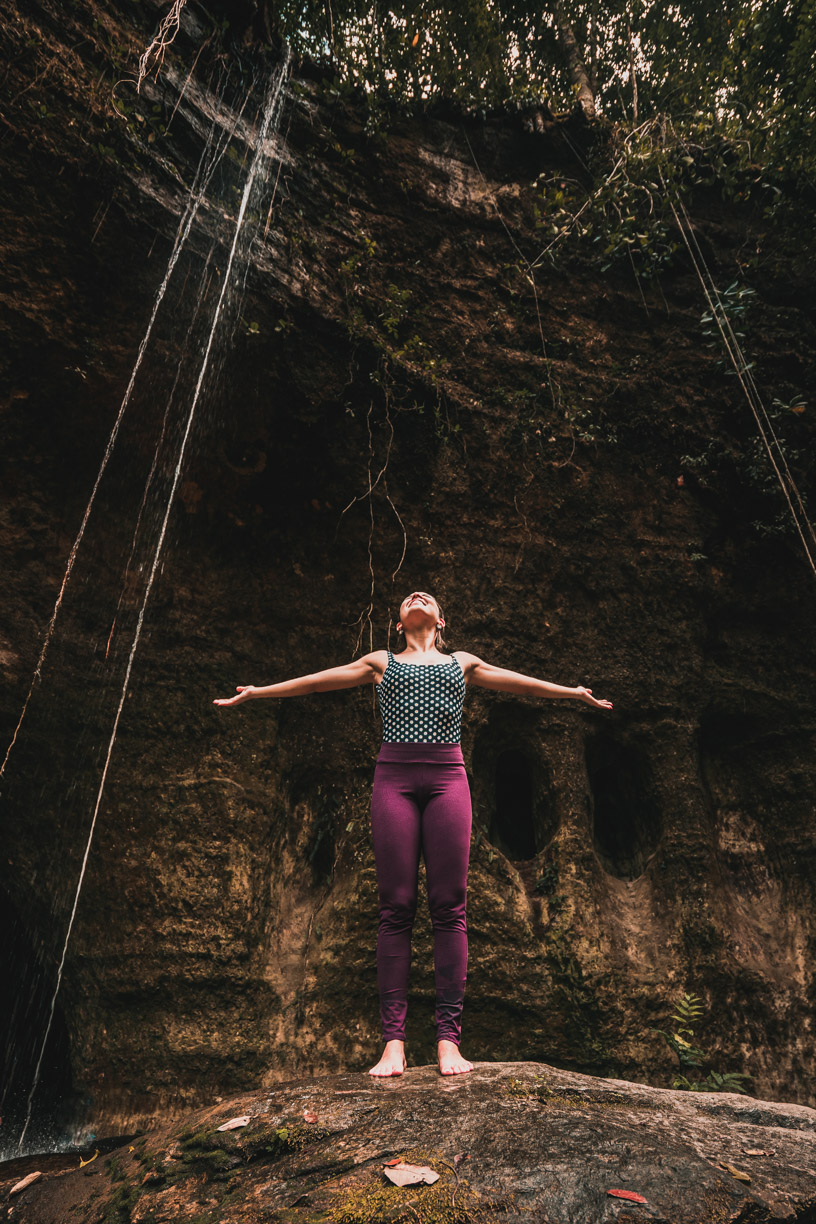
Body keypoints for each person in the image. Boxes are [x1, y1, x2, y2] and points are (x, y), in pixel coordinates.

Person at [214, 591, 612, 1077]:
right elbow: (317, 684)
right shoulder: (379, 662)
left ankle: (448, 1042)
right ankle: (393, 1045)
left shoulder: (463, 662)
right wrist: (260, 692)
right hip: (394, 781)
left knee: (450, 906)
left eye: (427, 597)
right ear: (398, 623)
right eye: (408, 598)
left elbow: (522, 685)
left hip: (449, 779)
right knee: (395, 906)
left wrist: (572, 694)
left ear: (441, 621)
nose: (416, 596)